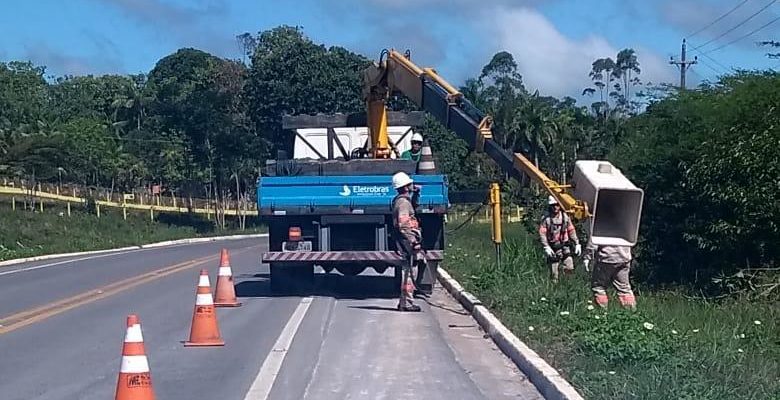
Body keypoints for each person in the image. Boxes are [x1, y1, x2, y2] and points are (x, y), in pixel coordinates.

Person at [391, 171, 424, 312]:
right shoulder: (403, 203)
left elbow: (414, 207)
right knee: (409, 272)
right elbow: (404, 224)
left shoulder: (404, 200)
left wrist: (416, 194)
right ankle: (407, 303)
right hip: (406, 241)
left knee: (409, 271)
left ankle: (404, 302)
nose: (412, 185)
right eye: (409, 184)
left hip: (406, 240)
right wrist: (412, 241)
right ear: (405, 187)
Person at [538, 195, 581, 282]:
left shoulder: (565, 217)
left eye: (557, 205)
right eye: (553, 205)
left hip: (565, 246)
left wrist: (577, 243)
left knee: (569, 267)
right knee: (554, 272)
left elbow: (571, 230)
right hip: (553, 247)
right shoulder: (546, 219)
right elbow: (542, 233)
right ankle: (554, 288)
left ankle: (569, 286)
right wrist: (546, 246)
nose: (555, 207)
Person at [584, 242, 635, 309]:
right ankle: (631, 313)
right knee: (624, 289)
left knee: (599, 287)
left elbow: (594, 240)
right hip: (624, 257)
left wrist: (588, 256)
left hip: (606, 258)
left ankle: (602, 312)